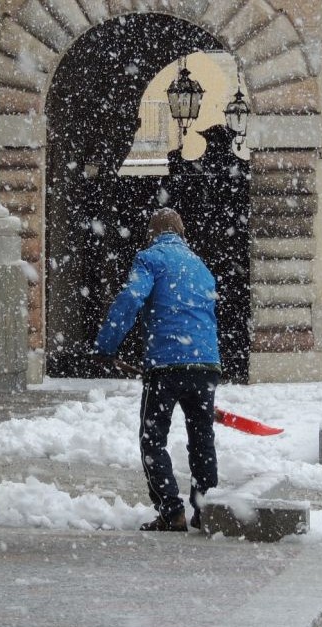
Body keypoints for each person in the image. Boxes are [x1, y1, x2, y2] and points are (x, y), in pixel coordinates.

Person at [92, 208, 221, 532]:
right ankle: (205, 509)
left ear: (153, 234)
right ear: (182, 233)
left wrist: (106, 345)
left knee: (153, 439)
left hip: (166, 365)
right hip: (205, 363)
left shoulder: (150, 259)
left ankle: (171, 511)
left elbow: (130, 299)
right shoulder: (200, 266)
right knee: (202, 437)